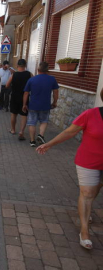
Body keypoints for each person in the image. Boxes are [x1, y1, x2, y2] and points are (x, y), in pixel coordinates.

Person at [36, 88, 103, 250]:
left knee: (95, 190)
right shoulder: (91, 114)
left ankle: (88, 211)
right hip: (89, 161)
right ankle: (84, 231)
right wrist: (49, 144)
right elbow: (69, 132)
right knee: (87, 193)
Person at [23, 62, 59, 147]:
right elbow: (56, 92)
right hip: (45, 105)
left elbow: (26, 93)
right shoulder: (52, 79)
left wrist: (24, 104)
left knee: (32, 123)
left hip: (33, 105)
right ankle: (41, 135)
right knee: (44, 121)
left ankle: (32, 141)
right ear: (47, 71)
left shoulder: (32, 79)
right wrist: (54, 102)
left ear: (38, 70)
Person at [6, 59, 32, 140]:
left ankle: (13, 130)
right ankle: (21, 131)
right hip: (25, 97)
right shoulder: (29, 74)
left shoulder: (14, 74)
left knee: (14, 114)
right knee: (24, 115)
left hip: (14, 96)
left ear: (17, 66)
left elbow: (7, 85)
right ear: (25, 65)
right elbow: (34, 82)